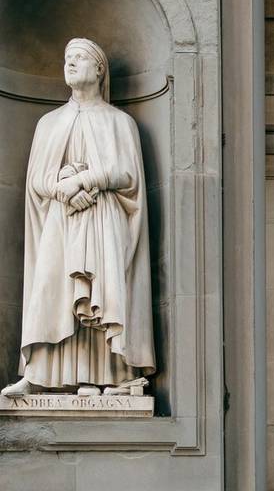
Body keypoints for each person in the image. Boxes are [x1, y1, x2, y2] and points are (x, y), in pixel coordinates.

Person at [1, 38, 155, 398]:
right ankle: (40, 373)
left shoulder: (120, 122)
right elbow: (36, 180)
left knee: (103, 290)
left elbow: (128, 175)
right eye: (67, 57)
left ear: (99, 69)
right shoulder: (49, 123)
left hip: (104, 221)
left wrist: (85, 180)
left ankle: (104, 377)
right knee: (53, 292)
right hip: (61, 222)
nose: (70, 63)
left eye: (80, 58)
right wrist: (62, 188)